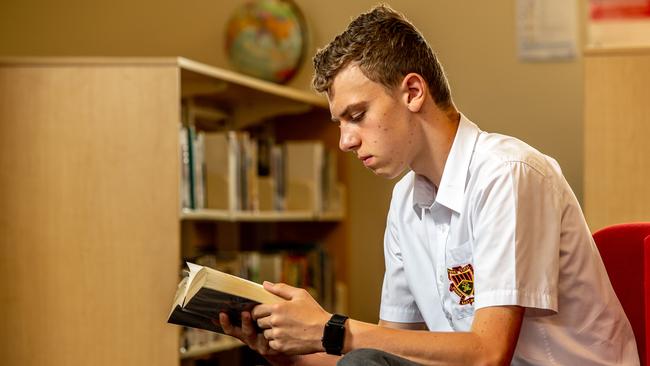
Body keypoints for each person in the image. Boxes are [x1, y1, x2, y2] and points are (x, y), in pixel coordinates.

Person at [218, 4, 640, 365]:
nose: (346, 141)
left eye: (357, 115)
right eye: (340, 123)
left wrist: (332, 328)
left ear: (413, 92)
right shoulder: (405, 200)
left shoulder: (507, 173)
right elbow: (389, 349)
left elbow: (487, 354)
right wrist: (289, 351)